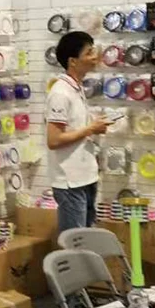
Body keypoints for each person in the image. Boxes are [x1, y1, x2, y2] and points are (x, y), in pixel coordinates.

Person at [45, 31, 113, 233]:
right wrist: (90, 129)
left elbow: (75, 130)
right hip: (70, 181)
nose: (95, 56)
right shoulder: (60, 93)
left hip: (86, 176)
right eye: (89, 53)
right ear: (73, 61)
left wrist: (93, 127)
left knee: (87, 237)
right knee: (75, 241)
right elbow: (54, 140)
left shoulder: (77, 88)